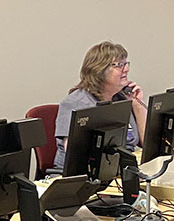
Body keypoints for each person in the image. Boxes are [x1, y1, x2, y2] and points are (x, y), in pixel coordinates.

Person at [54, 41, 146, 171]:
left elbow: (146, 145)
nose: (126, 69)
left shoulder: (121, 99)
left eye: (125, 64)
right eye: (119, 65)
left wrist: (137, 105)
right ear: (99, 70)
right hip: (81, 177)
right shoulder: (76, 103)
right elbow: (76, 157)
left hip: (120, 170)